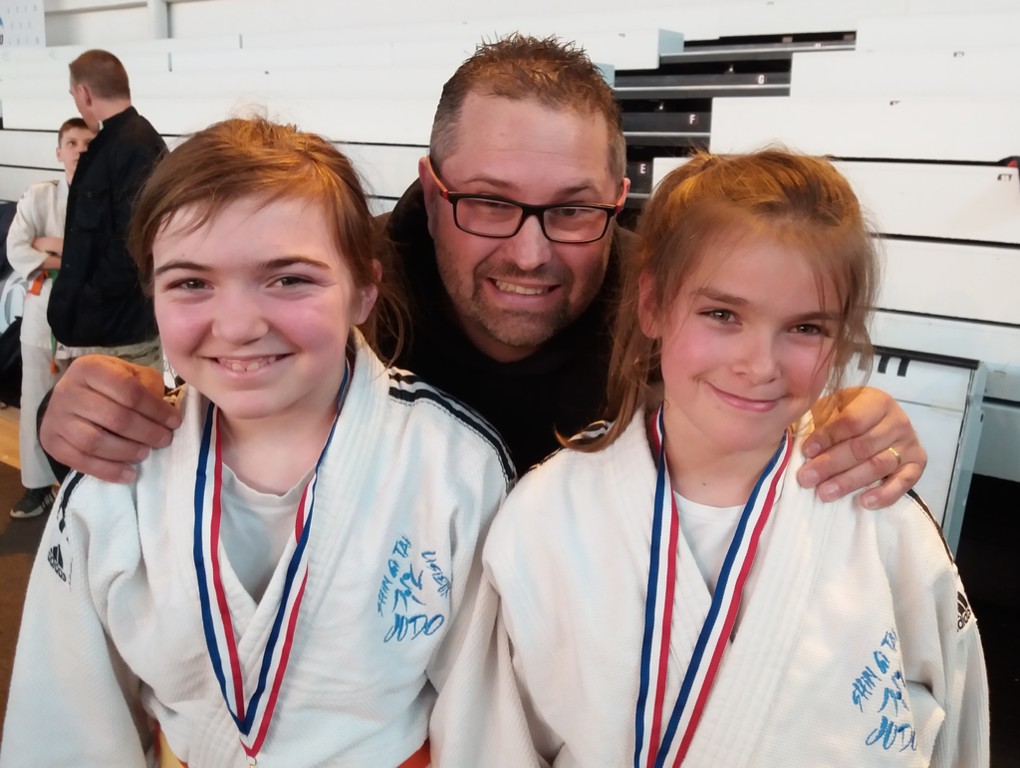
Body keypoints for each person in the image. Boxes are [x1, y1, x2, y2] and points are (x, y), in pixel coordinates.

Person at [39, 35, 924, 506]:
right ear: (432, 192)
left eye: (572, 209)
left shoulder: (673, 308)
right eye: (490, 203)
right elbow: (235, 357)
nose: (531, 253)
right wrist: (112, 404)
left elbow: (765, 377)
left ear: (619, 200)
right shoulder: (340, 291)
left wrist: (849, 427)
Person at [430, 150, 988, 767]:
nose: (760, 365)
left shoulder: (883, 520)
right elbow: (491, 742)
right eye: (722, 314)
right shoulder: (544, 516)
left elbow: (958, 726)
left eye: (807, 328)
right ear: (653, 305)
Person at [0, 117, 512, 767]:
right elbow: (68, 722)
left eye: (289, 279)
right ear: (151, 293)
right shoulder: (115, 479)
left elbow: (483, 725)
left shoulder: (456, 467)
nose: (238, 325)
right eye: (191, 282)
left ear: (363, 290)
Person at [48, 49, 166, 372]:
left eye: (74, 95)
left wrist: (91, 297)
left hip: (120, 339)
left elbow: (134, 240)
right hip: (104, 332)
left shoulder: (133, 146)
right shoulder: (117, 143)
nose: (76, 103)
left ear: (84, 93)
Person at [5, 117, 95, 519]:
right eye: (72, 143)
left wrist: (52, 246)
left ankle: (84, 485)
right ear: (59, 152)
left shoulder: (109, 202)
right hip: (43, 312)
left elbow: (108, 258)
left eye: (88, 144)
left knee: (87, 403)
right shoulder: (40, 196)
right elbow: (17, 248)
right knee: (35, 399)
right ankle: (37, 485)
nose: (80, 150)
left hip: (92, 316)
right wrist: (73, 257)